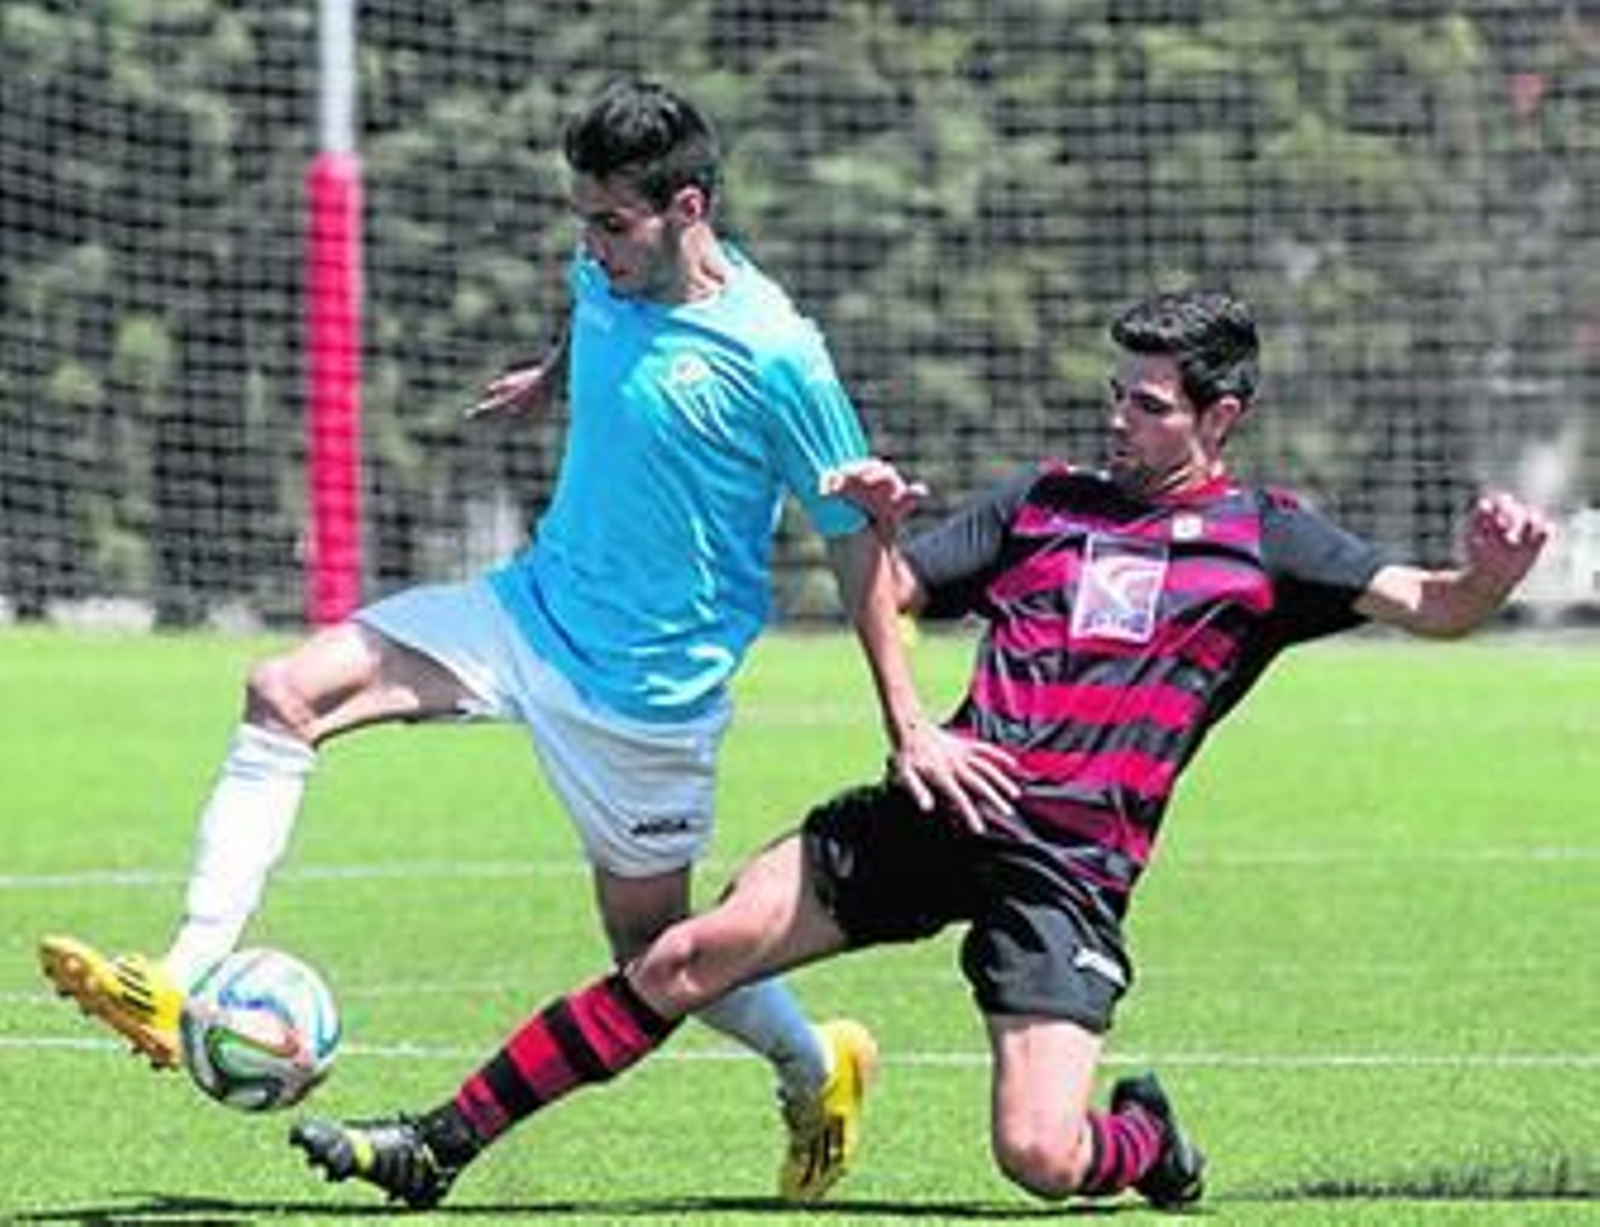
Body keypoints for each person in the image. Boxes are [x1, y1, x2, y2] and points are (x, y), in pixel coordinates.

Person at [287, 287, 1550, 1210]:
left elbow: (1433, 606)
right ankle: (437, 1143)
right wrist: (886, 535)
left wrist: (1487, 574)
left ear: (1218, 417)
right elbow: (889, 597)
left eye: (1149, 405)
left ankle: (1145, 1148)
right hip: (931, 811)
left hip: (1064, 875)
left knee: (1042, 1160)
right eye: (1114, 391)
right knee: (686, 954)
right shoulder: (1043, 503)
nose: (1119, 417)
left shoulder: (1270, 542)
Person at [39, 77, 1013, 1202]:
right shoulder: (600, 273)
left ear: (688, 207)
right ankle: (181, 972)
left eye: (614, 224)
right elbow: (596, 325)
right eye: (581, 220)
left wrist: (909, 726)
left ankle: (816, 1063)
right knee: (282, 693)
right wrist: (550, 380)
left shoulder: (778, 355)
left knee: (651, 959)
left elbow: (858, 553)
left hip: (644, 700)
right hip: (525, 608)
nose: (591, 246)